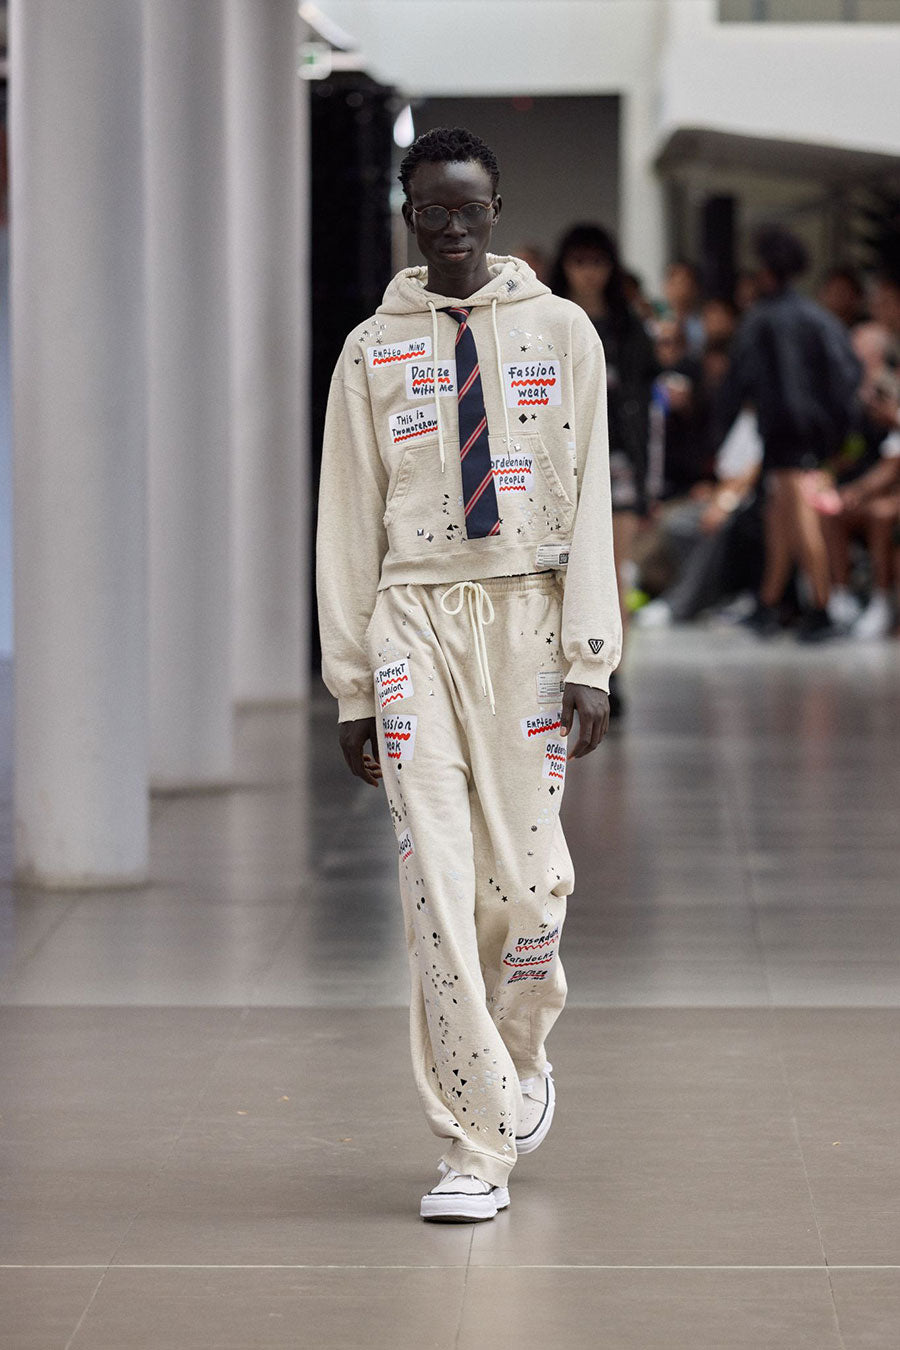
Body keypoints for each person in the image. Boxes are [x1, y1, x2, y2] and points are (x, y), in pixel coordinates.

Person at [316, 128, 621, 1224]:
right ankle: (472, 1143)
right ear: (409, 216)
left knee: (527, 886)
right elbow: (347, 516)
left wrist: (592, 654)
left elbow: (592, 494)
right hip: (413, 623)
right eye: (430, 212)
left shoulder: (561, 331)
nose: (450, 231)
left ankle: (520, 1051)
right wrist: (354, 683)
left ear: (496, 209)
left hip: (528, 619)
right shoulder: (371, 351)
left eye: (468, 209)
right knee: (437, 884)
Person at [714, 224, 861, 641]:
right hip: (809, 431)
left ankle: (823, 606)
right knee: (780, 514)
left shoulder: (762, 319)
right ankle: (769, 601)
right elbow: (847, 373)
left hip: (784, 430)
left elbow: (740, 380)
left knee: (798, 513)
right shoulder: (818, 317)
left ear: (765, 269)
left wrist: (720, 430)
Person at [549, 223, 656, 716]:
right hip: (559, 460)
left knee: (615, 573)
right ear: (565, 265)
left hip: (617, 460)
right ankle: (561, 670)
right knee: (557, 568)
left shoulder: (628, 327)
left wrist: (649, 481)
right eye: (580, 262)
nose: (589, 273)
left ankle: (613, 672)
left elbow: (645, 409)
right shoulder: (549, 319)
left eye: (598, 262)